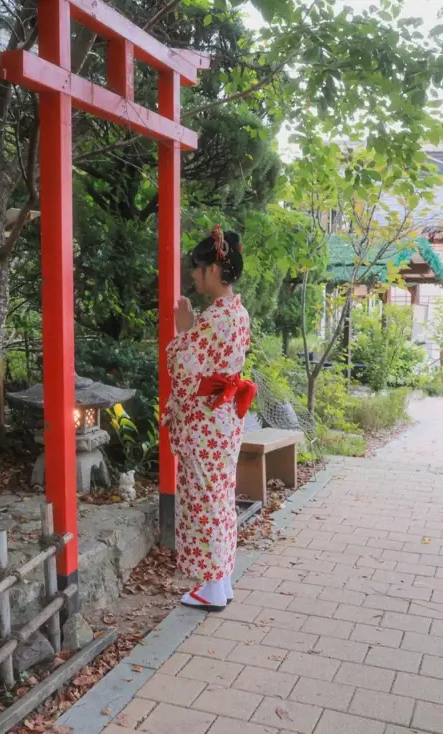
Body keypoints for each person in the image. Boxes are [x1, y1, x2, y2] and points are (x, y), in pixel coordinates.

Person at [164, 226, 254, 612]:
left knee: (206, 500)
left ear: (215, 271)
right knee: (218, 496)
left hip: (207, 422)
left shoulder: (215, 318)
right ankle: (221, 578)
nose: (194, 277)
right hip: (223, 419)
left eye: (198, 270)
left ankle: (214, 585)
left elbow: (183, 373)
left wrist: (183, 331)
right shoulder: (236, 311)